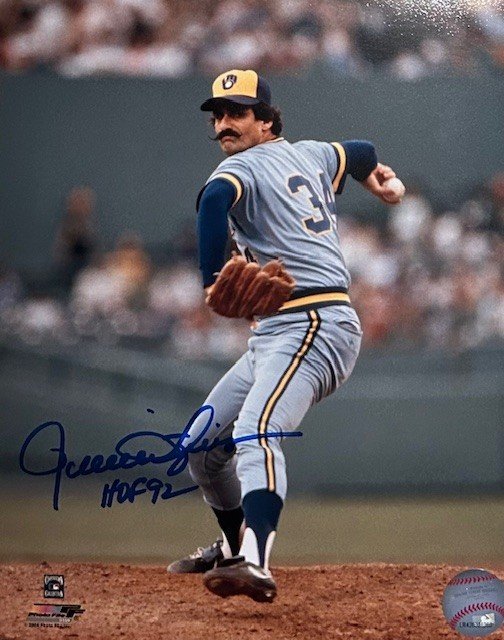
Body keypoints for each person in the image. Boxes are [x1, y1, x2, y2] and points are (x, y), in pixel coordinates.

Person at [167, 69, 402, 602]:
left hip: (315, 321)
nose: (224, 124)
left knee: (257, 430)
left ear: (268, 121)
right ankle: (233, 545)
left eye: (238, 112)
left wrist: (211, 281)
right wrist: (376, 178)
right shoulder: (313, 154)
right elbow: (361, 151)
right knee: (202, 446)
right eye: (218, 115)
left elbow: (212, 203)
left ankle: (255, 562)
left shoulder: (239, 168)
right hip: (280, 330)